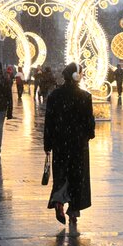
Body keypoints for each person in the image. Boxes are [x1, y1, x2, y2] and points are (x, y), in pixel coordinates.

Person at [43, 63, 95, 226]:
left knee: (61, 174)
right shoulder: (85, 97)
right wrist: (88, 135)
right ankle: (73, 211)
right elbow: (89, 121)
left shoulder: (54, 96)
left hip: (60, 143)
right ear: (77, 77)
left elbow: (49, 121)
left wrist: (48, 143)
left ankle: (59, 201)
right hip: (78, 144)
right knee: (77, 176)